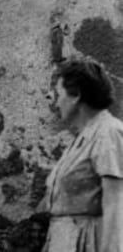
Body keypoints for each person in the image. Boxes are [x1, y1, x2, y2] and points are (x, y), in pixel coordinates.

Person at [42, 59, 123, 252]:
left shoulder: (109, 133)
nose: (53, 100)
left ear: (76, 95)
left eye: (58, 93)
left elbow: (116, 205)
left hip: (87, 243)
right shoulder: (83, 136)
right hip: (66, 242)